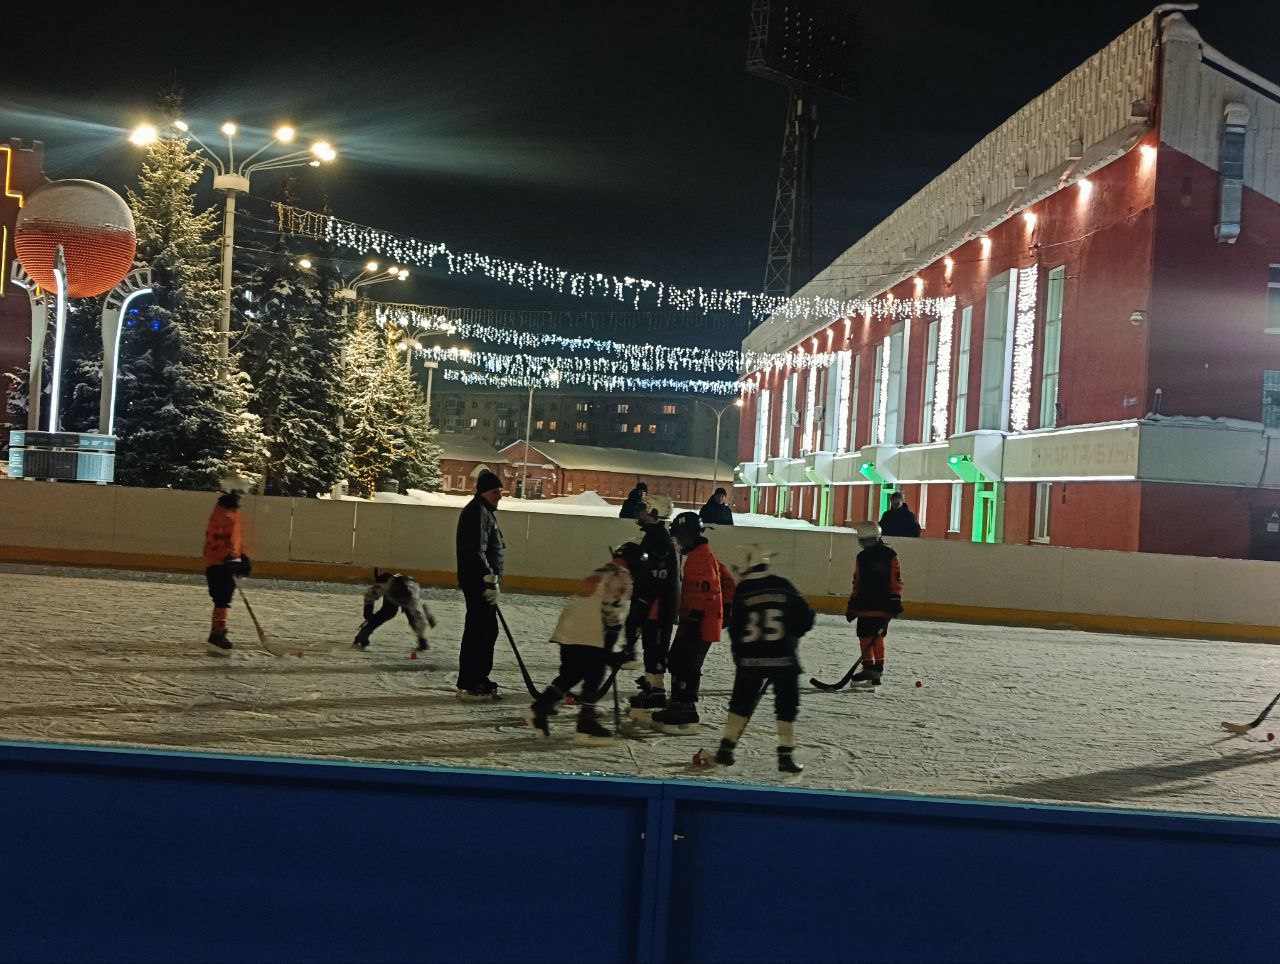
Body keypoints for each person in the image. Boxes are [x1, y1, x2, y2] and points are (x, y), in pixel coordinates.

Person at [713, 546, 815, 774]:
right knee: (786, 705)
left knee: (741, 702)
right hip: (783, 657)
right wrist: (793, 636)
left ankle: (726, 748)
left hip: (751, 660)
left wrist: (739, 656)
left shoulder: (743, 591)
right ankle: (785, 755)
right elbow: (806, 617)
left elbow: (735, 629)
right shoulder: (782, 585)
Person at [527, 549, 634, 744]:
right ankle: (586, 722)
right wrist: (612, 652)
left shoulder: (605, 569)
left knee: (573, 672)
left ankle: (541, 708)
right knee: (595, 673)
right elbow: (611, 612)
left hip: (569, 625)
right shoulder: (623, 577)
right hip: (590, 628)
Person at [649, 511, 725, 734]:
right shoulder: (703, 554)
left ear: (689, 535)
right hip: (699, 622)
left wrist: (694, 619)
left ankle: (685, 707)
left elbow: (705, 592)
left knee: (685, 663)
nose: (679, 542)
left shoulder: (699, 559)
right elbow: (726, 578)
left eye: (680, 537)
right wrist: (725, 609)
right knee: (680, 661)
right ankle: (680, 702)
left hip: (698, 624)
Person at [455, 469, 506, 700]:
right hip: (478, 583)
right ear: (485, 491)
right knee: (479, 631)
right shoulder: (478, 512)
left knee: (487, 630)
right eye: (496, 491)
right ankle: (471, 680)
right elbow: (476, 549)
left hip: (482, 582)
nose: (500, 496)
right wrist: (488, 579)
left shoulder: (484, 511)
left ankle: (478, 677)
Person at [627, 508, 682, 709]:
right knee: (651, 647)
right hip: (655, 604)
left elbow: (655, 576)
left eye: (645, 511)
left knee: (656, 648)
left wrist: (642, 603)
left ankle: (657, 690)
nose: (640, 514)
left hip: (658, 606)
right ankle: (652, 686)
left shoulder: (659, 540)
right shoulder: (655, 537)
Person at [845, 521, 904, 688]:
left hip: (883, 604)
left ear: (877, 538)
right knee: (864, 636)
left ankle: (877, 670)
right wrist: (853, 603)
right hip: (864, 604)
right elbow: (857, 581)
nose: (866, 544)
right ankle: (869, 669)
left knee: (877, 637)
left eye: (868, 540)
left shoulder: (889, 555)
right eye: (864, 541)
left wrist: (895, 599)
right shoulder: (861, 557)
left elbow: (895, 579)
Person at [203, 475, 252, 655]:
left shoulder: (232, 514)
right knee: (222, 599)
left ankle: (217, 631)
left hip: (225, 562)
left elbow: (234, 542)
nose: (242, 499)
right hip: (220, 564)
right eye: (240, 495)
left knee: (223, 599)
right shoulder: (224, 515)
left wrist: (241, 557)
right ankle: (217, 633)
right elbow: (217, 541)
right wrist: (229, 560)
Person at [353, 569, 438, 652]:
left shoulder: (413, 599)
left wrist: (422, 638)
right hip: (395, 595)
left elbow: (418, 618)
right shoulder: (385, 585)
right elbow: (370, 595)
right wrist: (368, 613)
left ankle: (424, 614)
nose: (399, 604)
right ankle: (365, 632)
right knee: (387, 613)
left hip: (409, 598)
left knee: (413, 617)